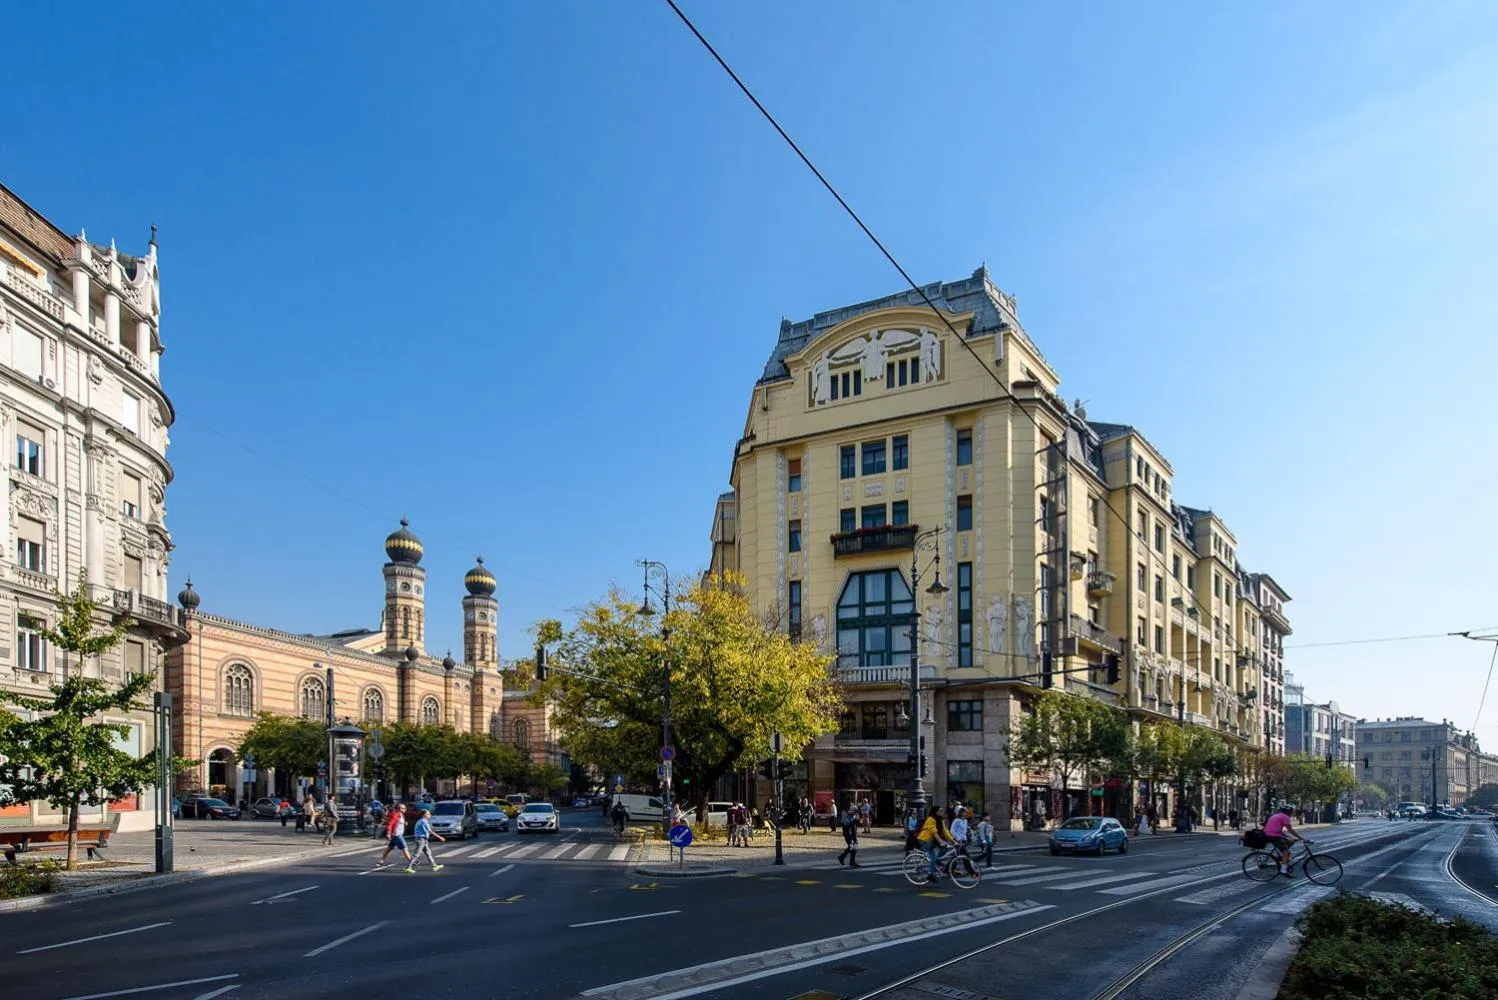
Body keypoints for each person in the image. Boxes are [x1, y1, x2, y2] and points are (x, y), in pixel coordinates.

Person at [915, 807, 955, 881]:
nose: (942, 812)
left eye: (942, 810)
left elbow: (945, 831)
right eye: (940, 811)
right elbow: (934, 831)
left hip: (932, 840)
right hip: (924, 839)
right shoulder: (931, 819)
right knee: (933, 856)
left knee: (944, 848)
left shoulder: (940, 820)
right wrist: (940, 841)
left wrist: (953, 840)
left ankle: (934, 861)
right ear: (935, 812)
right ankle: (931, 874)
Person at [1263, 807, 1301, 876]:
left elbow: (1278, 830)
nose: (1292, 813)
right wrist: (1301, 838)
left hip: (1269, 834)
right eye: (1291, 812)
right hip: (1273, 836)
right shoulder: (1285, 817)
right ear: (1288, 812)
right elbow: (1290, 830)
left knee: (1291, 841)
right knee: (1287, 852)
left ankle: (1282, 858)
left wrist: (1288, 837)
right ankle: (1283, 871)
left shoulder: (1276, 815)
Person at [408, 808, 445, 872]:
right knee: (417, 854)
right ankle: (409, 867)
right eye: (428, 814)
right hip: (421, 839)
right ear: (424, 815)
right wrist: (439, 837)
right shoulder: (423, 821)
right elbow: (430, 831)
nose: (430, 815)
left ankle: (434, 866)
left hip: (423, 839)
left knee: (428, 853)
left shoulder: (421, 820)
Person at [377, 803, 413, 869]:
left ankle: (381, 860)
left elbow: (399, 822)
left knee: (389, 848)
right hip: (397, 835)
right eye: (404, 808)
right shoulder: (395, 815)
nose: (406, 809)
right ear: (400, 809)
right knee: (405, 848)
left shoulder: (401, 815)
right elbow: (390, 824)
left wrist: (404, 823)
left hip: (396, 835)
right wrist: (388, 833)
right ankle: (411, 861)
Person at [837, 802, 861, 867]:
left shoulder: (853, 815)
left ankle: (849, 860)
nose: (856, 812)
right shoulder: (846, 815)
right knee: (851, 846)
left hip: (853, 834)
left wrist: (857, 820)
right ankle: (843, 858)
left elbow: (856, 823)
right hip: (848, 834)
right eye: (855, 811)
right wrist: (854, 821)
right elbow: (846, 824)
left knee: (855, 847)